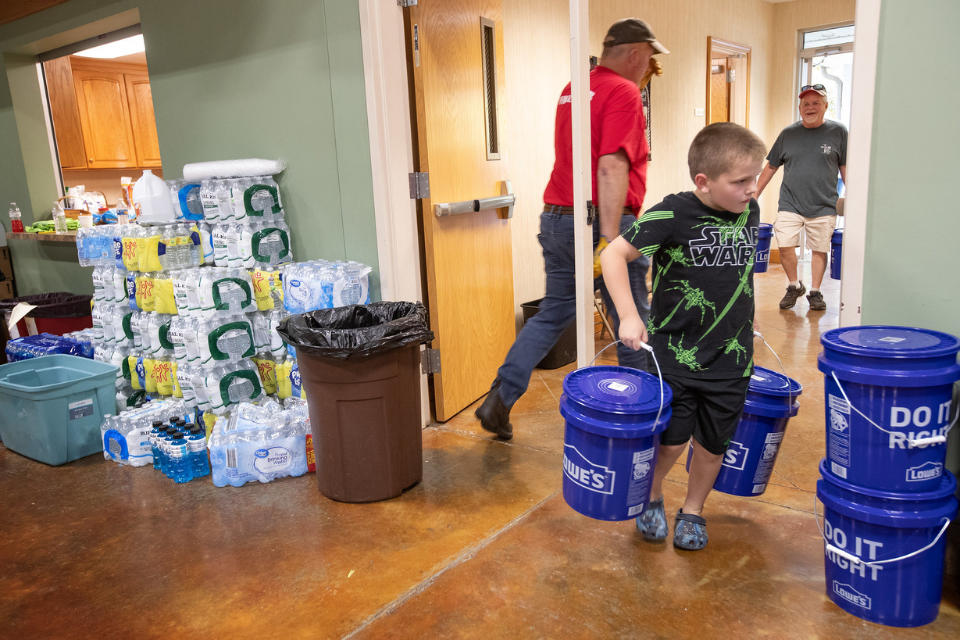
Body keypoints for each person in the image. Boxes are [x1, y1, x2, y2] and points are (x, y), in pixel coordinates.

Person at [474, 18, 668, 440]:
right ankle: (637, 421)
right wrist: (610, 239)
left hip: (558, 215)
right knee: (629, 314)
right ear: (635, 52)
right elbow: (611, 165)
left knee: (553, 313)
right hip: (603, 220)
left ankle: (500, 399)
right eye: (649, 57)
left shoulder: (574, 88)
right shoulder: (624, 91)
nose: (649, 66)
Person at [600, 122, 766, 550]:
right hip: (675, 356)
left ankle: (693, 511)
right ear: (703, 182)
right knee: (672, 443)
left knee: (712, 448)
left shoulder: (750, 210)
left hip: (731, 360)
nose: (753, 188)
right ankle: (651, 496)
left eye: (756, 177)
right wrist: (629, 316)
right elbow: (613, 254)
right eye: (741, 181)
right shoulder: (673, 213)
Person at [757, 85, 847, 311]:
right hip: (790, 202)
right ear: (799, 108)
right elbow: (771, 166)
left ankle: (815, 292)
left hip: (824, 204)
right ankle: (793, 285)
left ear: (826, 106)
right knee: (785, 243)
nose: (810, 108)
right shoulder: (788, 133)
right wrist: (754, 194)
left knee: (820, 249)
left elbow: (845, 166)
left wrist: (854, 196)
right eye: (806, 104)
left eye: (816, 103)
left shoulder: (839, 132)